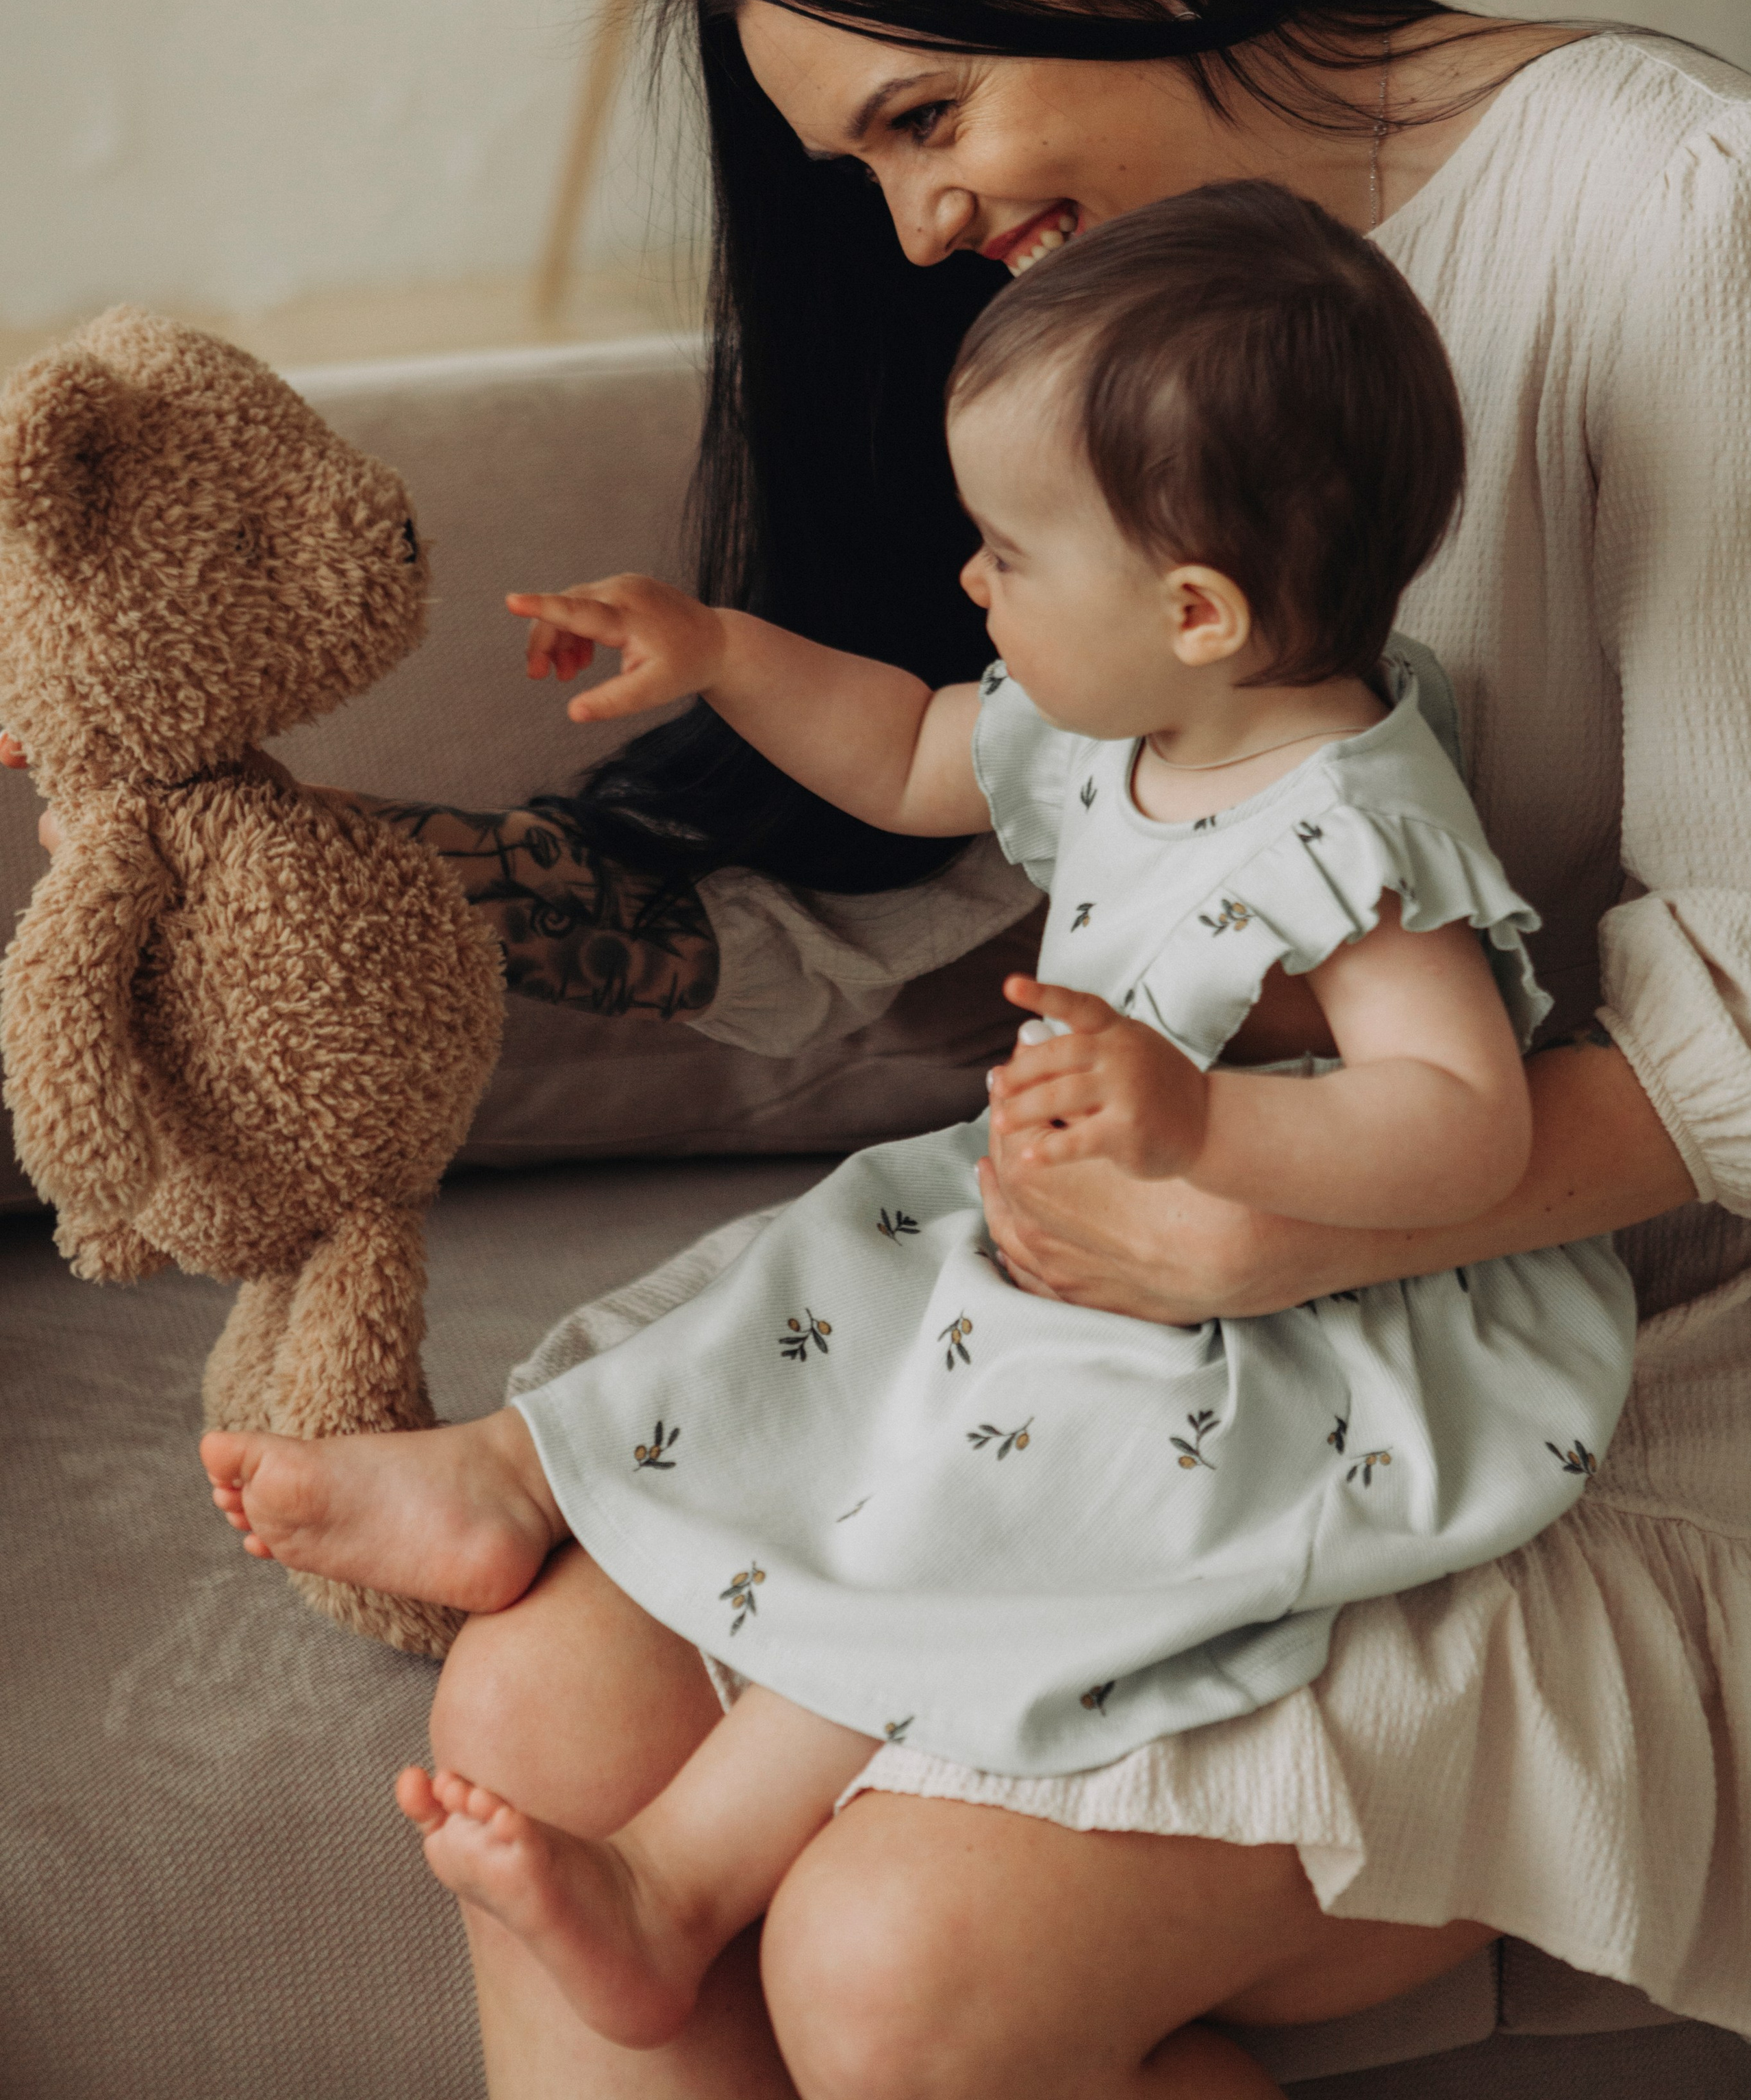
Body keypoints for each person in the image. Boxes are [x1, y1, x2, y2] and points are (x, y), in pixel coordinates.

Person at [21, 0, 1748, 2098]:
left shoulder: (1672, 218)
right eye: (868, 169)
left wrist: (1262, 1204)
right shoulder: (1120, 373)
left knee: (889, 1971)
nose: (928, 217)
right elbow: (955, 757)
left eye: (929, 111)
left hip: (1576, 1341)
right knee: (527, 1717)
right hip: (1164, 1276)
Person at [199, 185, 1638, 2081]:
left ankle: (680, 1887)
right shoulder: (1107, 718)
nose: (976, 589)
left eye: (1011, 554)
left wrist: (1205, 1120)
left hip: (1296, 1320)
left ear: (1194, 609)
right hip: (1092, 1224)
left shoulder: (1356, 827)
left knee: (978, 1482)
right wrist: (719, 651)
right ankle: (523, 1469)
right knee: (830, 1253)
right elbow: (898, 750)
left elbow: (1463, 1130)